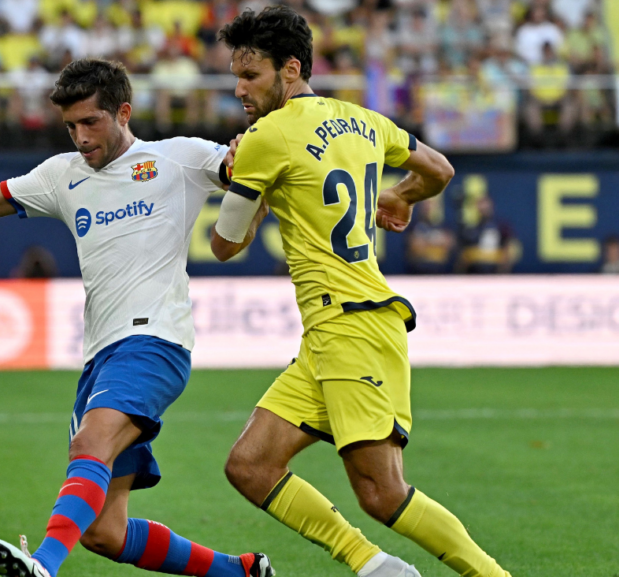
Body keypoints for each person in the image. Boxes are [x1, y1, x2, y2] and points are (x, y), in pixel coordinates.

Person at [0, 58, 274, 577]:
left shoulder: (178, 158)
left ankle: (42, 565)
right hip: (100, 356)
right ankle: (241, 571)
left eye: (91, 122)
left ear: (123, 112)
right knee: (104, 532)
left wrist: (250, 155)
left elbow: (248, 169)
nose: (81, 137)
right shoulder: (62, 175)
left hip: (155, 343)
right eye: (71, 126)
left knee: (90, 444)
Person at [210, 7, 511, 577]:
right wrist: (400, 196)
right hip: (333, 334)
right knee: (250, 465)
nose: (239, 88)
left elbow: (225, 243)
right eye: (235, 75)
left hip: (350, 323)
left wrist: (239, 180)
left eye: (250, 75)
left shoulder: (263, 138)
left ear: (290, 69)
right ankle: (372, 565)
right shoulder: (363, 120)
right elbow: (440, 170)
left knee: (382, 492)